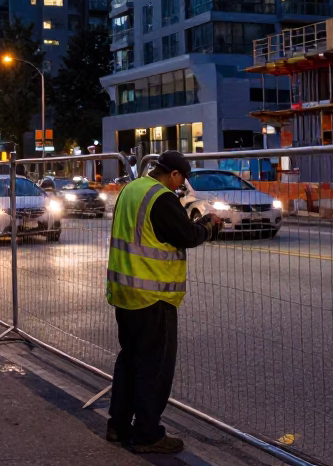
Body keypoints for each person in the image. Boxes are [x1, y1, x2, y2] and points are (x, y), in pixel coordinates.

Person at [105, 150, 222, 454]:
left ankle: (118, 426)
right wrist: (209, 225)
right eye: (181, 179)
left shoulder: (131, 189)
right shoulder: (162, 197)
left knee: (129, 361)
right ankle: (147, 435)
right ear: (173, 175)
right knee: (154, 367)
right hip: (153, 295)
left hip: (125, 291)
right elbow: (186, 235)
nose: (181, 185)